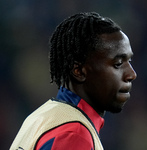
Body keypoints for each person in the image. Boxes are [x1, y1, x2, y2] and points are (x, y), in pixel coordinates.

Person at [10, 12, 137, 150]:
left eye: (129, 61)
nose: (131, 74)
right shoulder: (75, 134)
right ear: (79, 71)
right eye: (118, 63)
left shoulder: (41, 117)